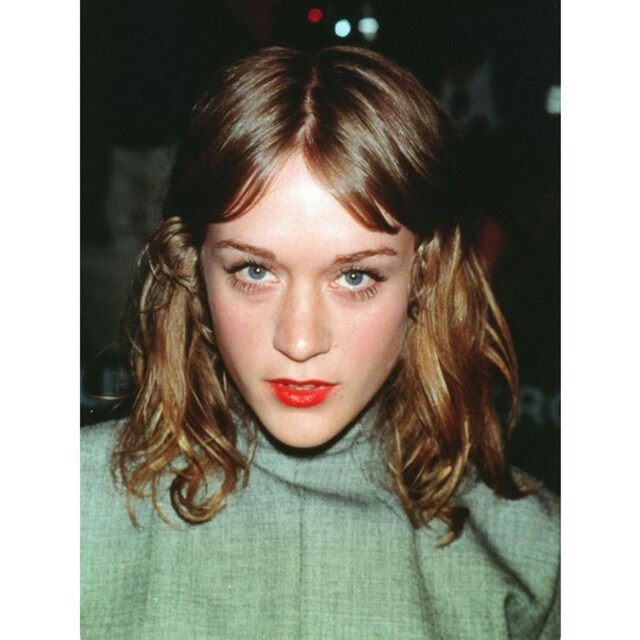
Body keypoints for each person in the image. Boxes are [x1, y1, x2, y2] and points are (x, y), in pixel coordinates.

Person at [81, 46, 559, 639]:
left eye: (355, 276)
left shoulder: (536, 560)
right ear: (194, 270)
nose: (301, 341)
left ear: (425, 278)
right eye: (254, 271)